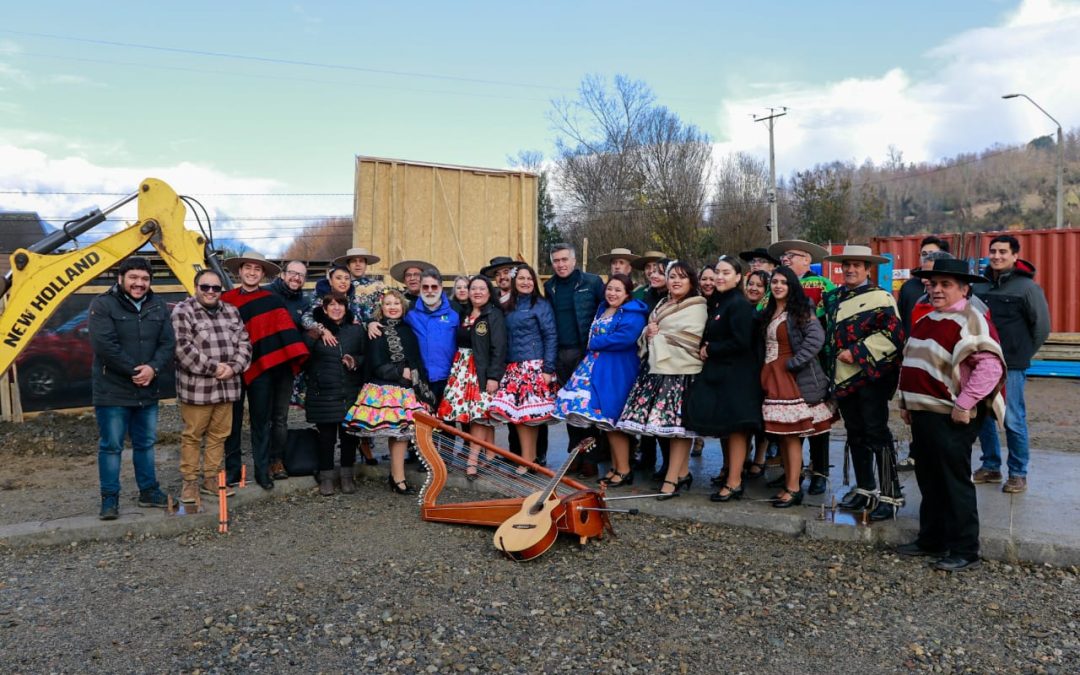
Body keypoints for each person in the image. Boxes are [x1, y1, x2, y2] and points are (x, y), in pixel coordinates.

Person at [897, 258, 1006, 572]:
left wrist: (965, 403)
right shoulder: (928, 318)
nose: (937, 290)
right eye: (933, 284)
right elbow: (914, 363)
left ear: (964, 288)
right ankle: (931, 539)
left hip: (952, 416)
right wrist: (906, 403)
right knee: (929, 479)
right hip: (924, 414)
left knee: (954, 481)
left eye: (946, 284)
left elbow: (991, 367)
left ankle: (964, 549)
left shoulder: (973, 321)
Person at [821, 245, 905, 520]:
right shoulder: (832, 298)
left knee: (876, 433)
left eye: (857, 265)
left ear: (868, 269)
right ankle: (865, 488)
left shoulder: (881, 298)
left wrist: (856, 352)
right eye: (846, 264)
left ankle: (891, 494)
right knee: (855, 433)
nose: (850, 269)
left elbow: (893, 336)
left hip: (871, 377)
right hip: (842, 379)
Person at [88, 256, 175, 519]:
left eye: (145, 279)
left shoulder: (158, 306)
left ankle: (148, 491)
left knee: (146, 444)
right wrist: (136, 371)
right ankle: (109, 499)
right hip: (112, 390)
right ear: (121, 279)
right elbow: (104, 346)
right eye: (134, 278)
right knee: (112, 446)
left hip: (147, 389)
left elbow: (167, 344)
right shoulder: (103, 305)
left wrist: (154, 368)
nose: (139, 283)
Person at [616, 261, 707, 499]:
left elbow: (691, 337)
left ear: (691, 281)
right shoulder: (662, 303)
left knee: (679, 429)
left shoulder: (697, 306)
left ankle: (671, 479)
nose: (676, 281)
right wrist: (649, 333)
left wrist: (659, 334)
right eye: (673, 277)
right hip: (656, 370)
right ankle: (682, 473)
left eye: (682, 277)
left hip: (683, 372)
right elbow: (650, 331)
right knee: (664, 428)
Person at [222, 251, 309, 489]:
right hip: (232, 371)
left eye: (257, 269)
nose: (251, 272)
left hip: (263, 370)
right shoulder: (226, 299)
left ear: (263, 274)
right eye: (247, 268)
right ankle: (232, 471)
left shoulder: (272, 301)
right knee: (232, 421)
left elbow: (284, 334)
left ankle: (262, 471)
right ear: (239, 271)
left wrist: (291, 357)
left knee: (261, 422)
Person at [973, 234, 1051, 494]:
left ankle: (1018, 473)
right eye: (993, 251)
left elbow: (1041, 327)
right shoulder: (980, 286)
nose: (996, 256)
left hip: (1012, 366)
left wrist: (1021, 354)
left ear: (1015, 256)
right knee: (983, 416)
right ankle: (992, 467)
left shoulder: (1027, 288)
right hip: (982, 363)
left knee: (1013, 418)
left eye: (1003, 252)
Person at [554, 274, 649, 487]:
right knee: (606, 423)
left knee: (614, 421)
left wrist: (596, 341)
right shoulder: (603, 308)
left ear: (627, 293)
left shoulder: (633, 312)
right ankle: (617, 467)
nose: (612, 293)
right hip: (598, 366)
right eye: (610, 289)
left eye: (618, 290)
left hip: (617, 369)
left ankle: (624, 469)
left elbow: (626, 338)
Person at [685, 256, 763, 502]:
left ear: (739, 277)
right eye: (717, 272)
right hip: (723, 374)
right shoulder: (721, 302)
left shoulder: (739, 304)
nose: (719, 277)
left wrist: (711, 348)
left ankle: (734, 482)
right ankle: (729, 472)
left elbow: (741, 341)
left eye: (726, 272)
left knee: (738, 429)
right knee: (727, 429)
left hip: (738, 375)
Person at [758, 266, 836, 508]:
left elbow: (816, 338)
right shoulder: (770, 311)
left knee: (792, 435)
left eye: (784, 282)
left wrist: (793, 363)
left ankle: (793, 488)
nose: (778, 286)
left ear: (792, 286)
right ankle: (791, 482)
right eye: (775, 282)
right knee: (782, 435)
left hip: (790, 376)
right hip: (772, 373)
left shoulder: (801, 310)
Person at [171, 269, 251, 504]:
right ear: (196, 287)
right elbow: (182, 349)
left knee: (219, 435)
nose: (210, 291)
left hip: (227, 387)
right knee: (193, 436)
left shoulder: (231, 311)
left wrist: (234, 367)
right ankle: (189, 483)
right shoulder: (183, 311)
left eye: (216, 288)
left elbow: (245, 343)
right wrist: (215, 368)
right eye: (205, 287)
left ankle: (211, 479)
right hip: (197, 389)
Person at [345, 289, 433, 494]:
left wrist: (418, 382)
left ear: (403, 307)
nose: (392, 307)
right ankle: (397, 478)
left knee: (402, 435)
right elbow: (375, 361)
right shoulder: (376, 330)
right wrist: (400, 373)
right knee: (397, 433)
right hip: (385, 387)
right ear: (381, 308)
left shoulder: (408, 330)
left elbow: (416, 359)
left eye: (396, 304)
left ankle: (397, 477)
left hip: (406, 388)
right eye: (388, 304)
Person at [543, 244, 605, 476]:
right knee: (569, 406)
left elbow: (606, 310)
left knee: (587, 407)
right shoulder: (550, 287)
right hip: (561, 353)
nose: (561, 264)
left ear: (574, 260)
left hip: (586, 353)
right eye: (556, 261)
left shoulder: (592, 283)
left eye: (564, 259)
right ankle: (574, 455)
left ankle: (591, 457)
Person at [489, 265, 558, 469]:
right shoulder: (507, 305)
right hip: (513, 367)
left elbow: (551, 336)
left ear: (534, 282)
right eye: (521, 278)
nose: (525, 282)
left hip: (534, 366)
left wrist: (548, 368)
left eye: (529, 278)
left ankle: (530, 459)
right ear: (514, 281)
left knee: (530, 417)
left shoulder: (541, 305)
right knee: (517, 417)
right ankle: (528, 458)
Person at [438, 275, 507, 477]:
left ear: (489, 292)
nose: (477, 292)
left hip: (481, 370)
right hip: (461, 369)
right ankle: (488, 456)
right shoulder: (463, 313)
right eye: (473, 288)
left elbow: (499, 348)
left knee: (478, 416)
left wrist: (494, 376)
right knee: (465, 414)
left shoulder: (494, 315)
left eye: (481, 289)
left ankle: (472, 460)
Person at [304, 293, 366, 496]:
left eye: (340, 304)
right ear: (324, 309)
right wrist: (318, 333)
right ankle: (327, 477)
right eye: (331, 305)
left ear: (346, 308)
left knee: (349, 436)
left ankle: (347, 475)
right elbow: (303, 354)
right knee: (327, 437)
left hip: (350, 390)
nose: (336, 308)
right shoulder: (315, 331)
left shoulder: (356, 330)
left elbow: (366, 356)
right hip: (323, 391)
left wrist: (355, 361)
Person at [629, 250, 671, 475]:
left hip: (667, 361)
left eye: (659, 271)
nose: (653, 275)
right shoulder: (643, 294)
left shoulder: (676, 297)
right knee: (645, 412)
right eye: (650, 270)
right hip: (646, 358)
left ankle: (669, 464)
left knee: (661, 415)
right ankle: (647, 456)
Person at [404, 268, 458, 403]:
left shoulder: (455, 312)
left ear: (441, 287)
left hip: (449, 378)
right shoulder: (409, 312)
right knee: (424, 422)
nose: (429, 290)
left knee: (447, 423)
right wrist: (372, 323)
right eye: (425, 287)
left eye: (434, 286)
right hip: (422, 379)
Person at [898, 236, 949, 337]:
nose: (927, 258)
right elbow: (900, 321)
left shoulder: (955, 290)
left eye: (932, 254)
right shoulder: (908, 287)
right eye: (924, 254)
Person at [332, 247, 384, 327]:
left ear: (366, 265)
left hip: (375, 330)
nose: (358, 264)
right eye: (354, 261)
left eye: (361, 261)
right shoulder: (339, 286)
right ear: (348, 266)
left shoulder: (379, 286)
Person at [266, 260, 309, 330]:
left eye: (301, 275)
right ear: (283, 275)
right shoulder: (265, 293)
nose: (296, 278)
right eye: (292, 273)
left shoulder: (305, 301)